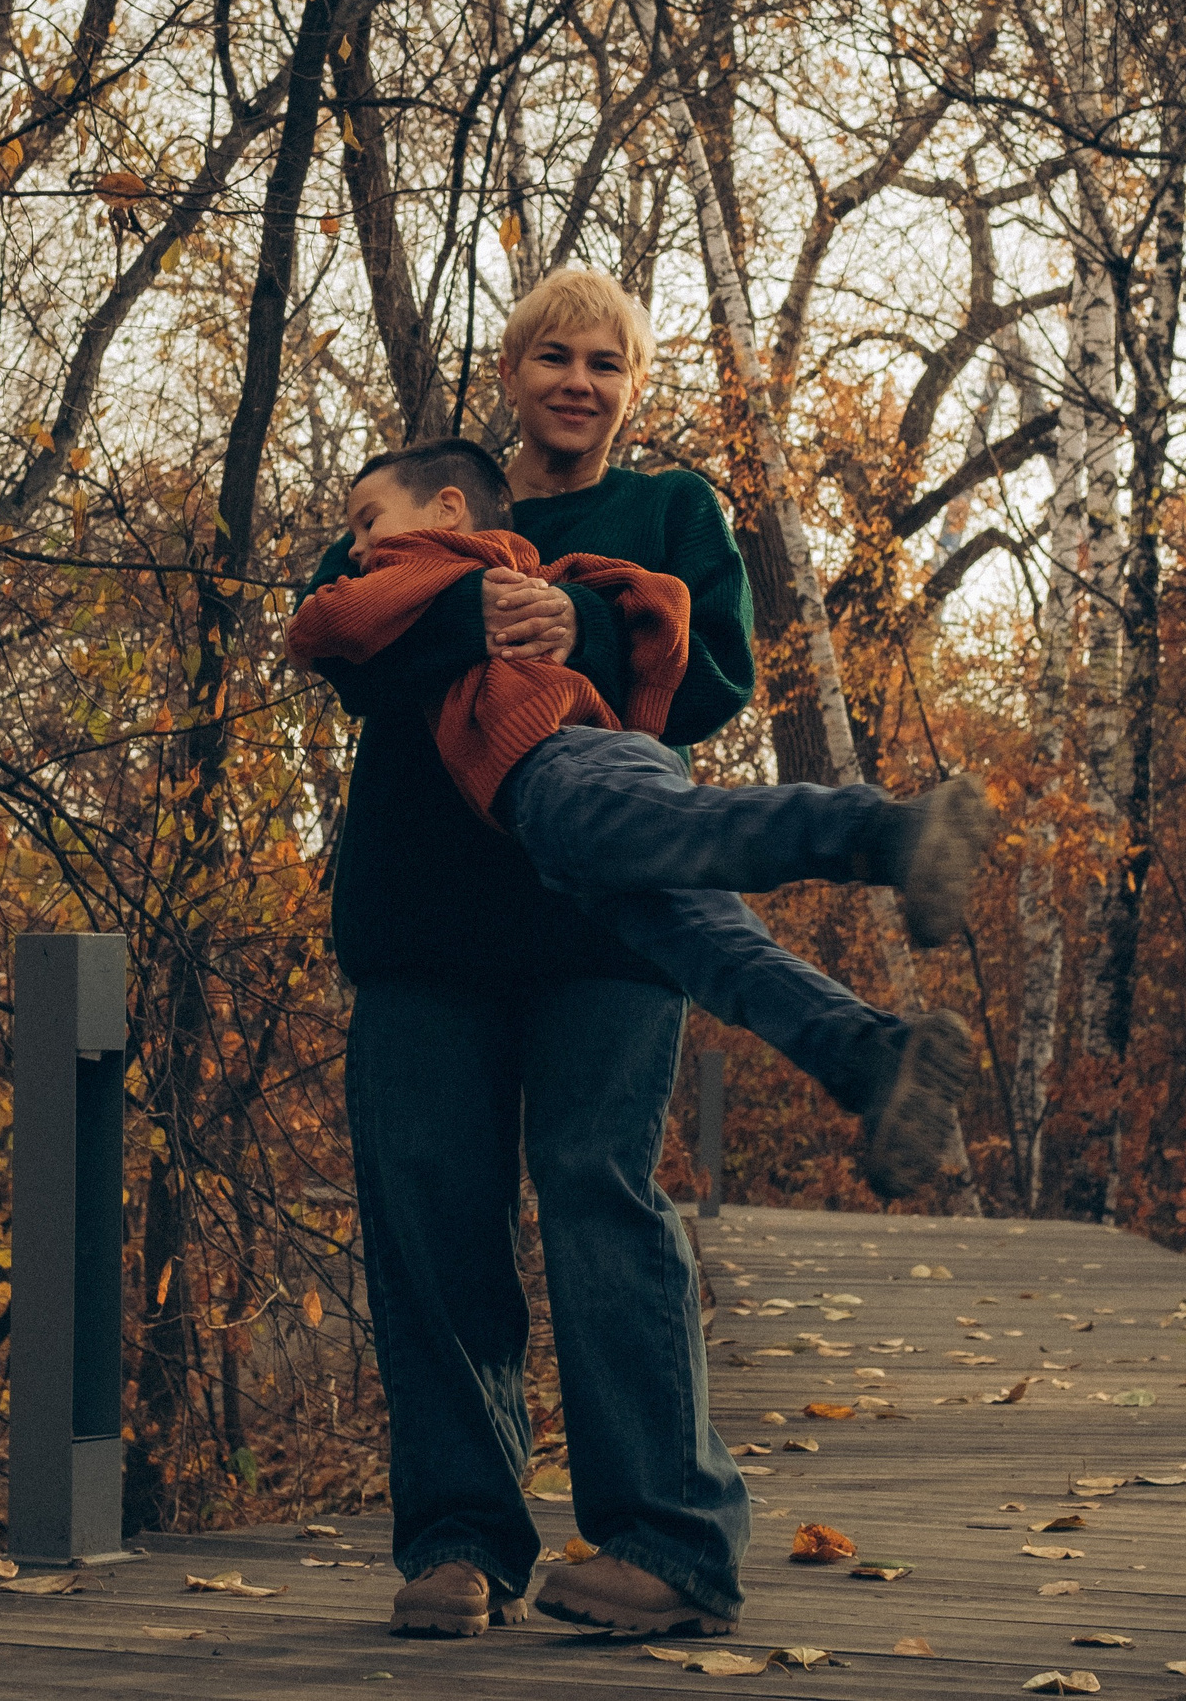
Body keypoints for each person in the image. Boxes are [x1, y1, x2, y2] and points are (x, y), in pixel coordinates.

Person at [297, 268, 974, 1644]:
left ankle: (667, 1537)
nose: (578, 383)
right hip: (426, 922)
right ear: (510, 373)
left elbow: (716, 672)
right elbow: (339, 640)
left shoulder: (668, 513)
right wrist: (474, 612)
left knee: (599, 1194)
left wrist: (585, 629)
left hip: (604, 920)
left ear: (632, 388)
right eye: (554, 356)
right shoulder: (428, 505)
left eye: (606, 363)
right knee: (432, 1221)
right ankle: (459, 1541)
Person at [288, 436, 995, 1178]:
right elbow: (657, 600)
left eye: (368, 522)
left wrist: (551, 623)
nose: (356, 548)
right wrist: (617, 669)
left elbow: (322, 626)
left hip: (557, 773)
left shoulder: (416, 562)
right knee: (715, 943)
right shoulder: (525, 563)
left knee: (706, 832)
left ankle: (882, 832)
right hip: (589, 781)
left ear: (446, 509)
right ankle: (869, 1054)